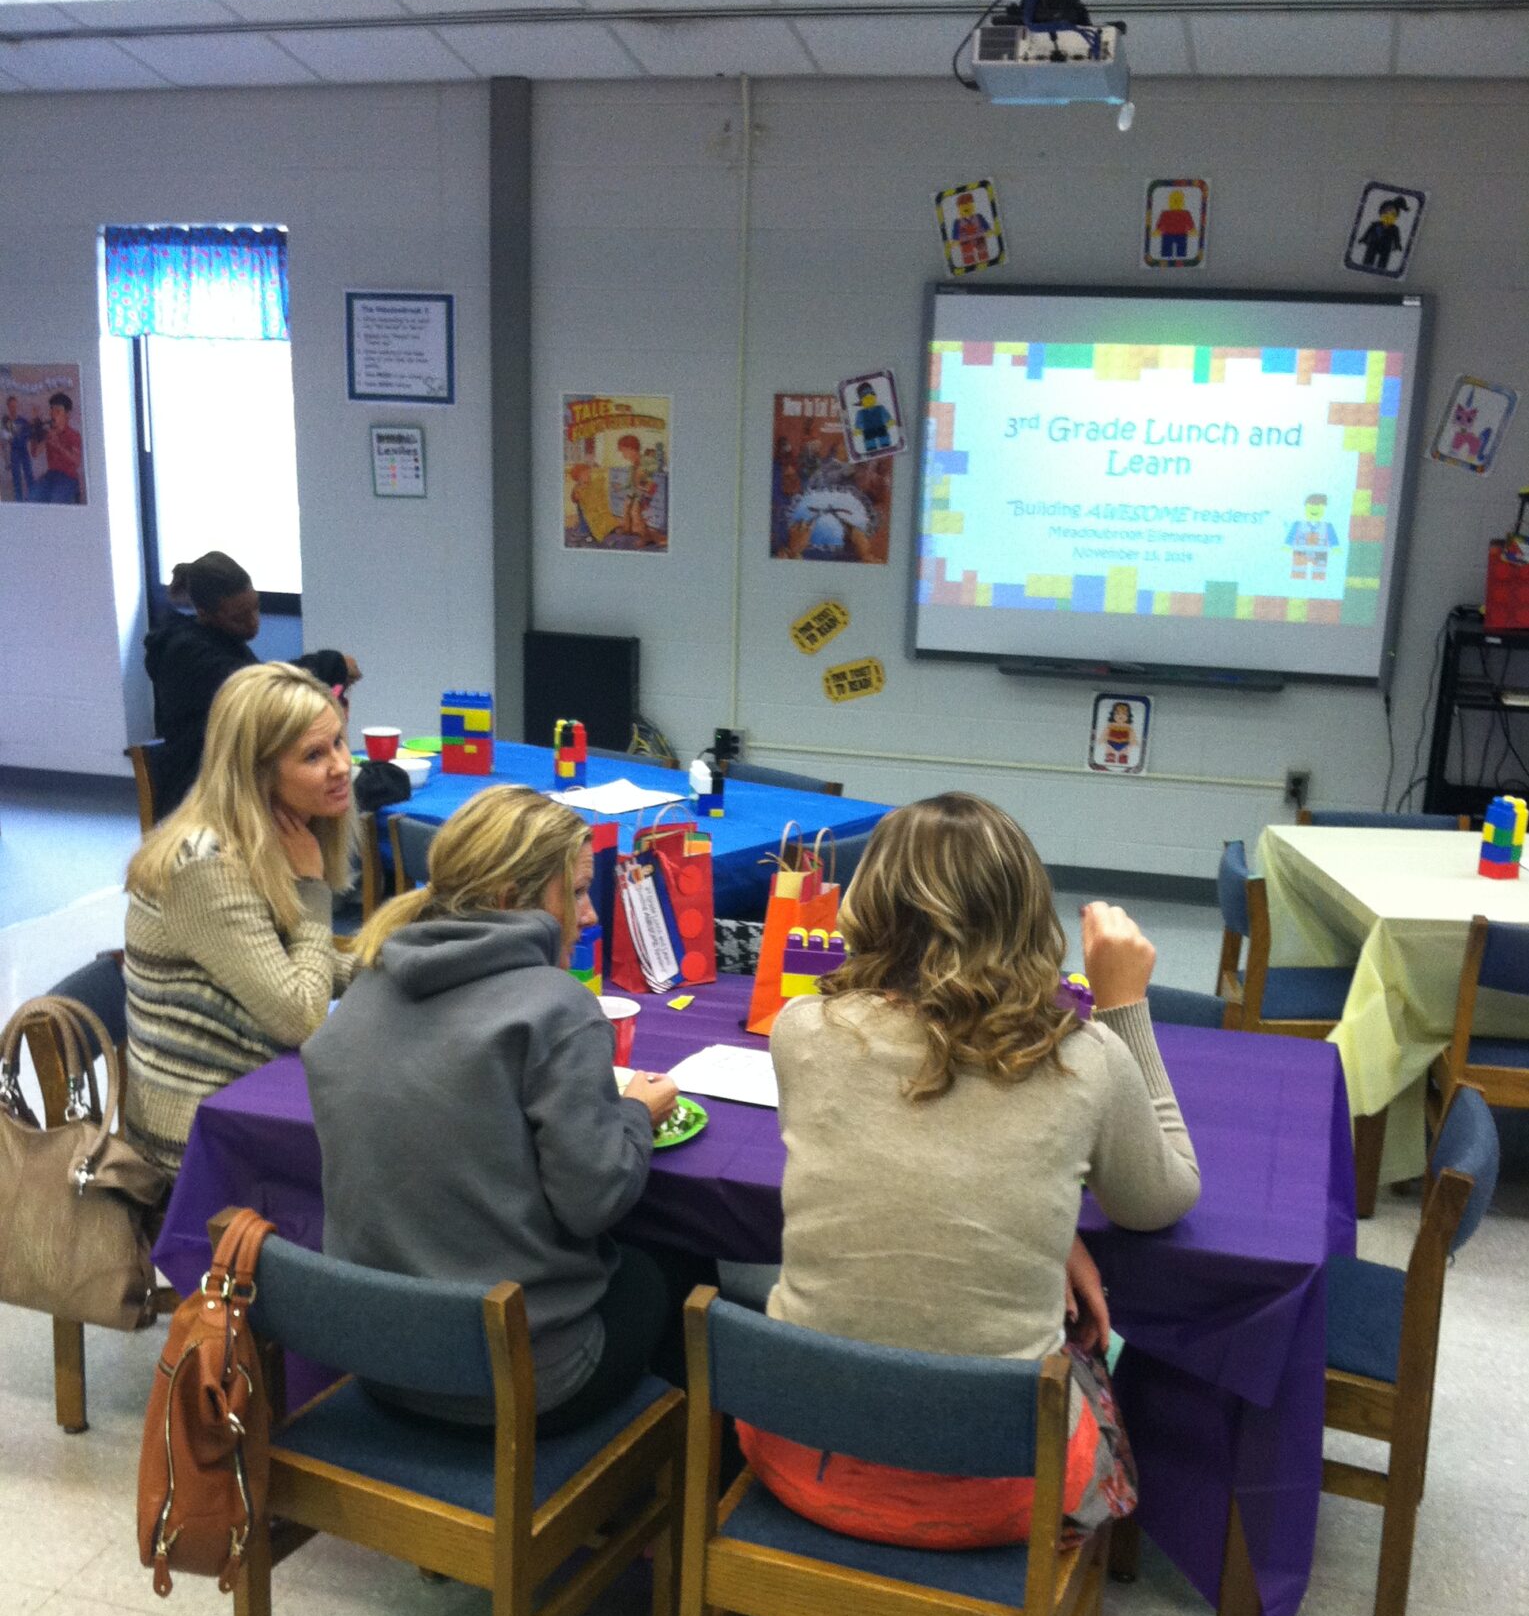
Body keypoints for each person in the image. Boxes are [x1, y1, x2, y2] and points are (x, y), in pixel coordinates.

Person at [749, 792, 1202, 1550]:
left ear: (867, 904)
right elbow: (1159, 1200)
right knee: (1102, 1352)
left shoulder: (803, 1032)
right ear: (1028, 917)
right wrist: (1124, 1007)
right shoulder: (1086, 1059)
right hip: (1001, 1493)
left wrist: (1051, 1230)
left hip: (797, 1459)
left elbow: (914, 1162)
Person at [304, 787, 686, 1433]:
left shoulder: (368, 985)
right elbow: (594, 1202)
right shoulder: (554, 1004)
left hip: (378, 1359)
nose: (591, 915)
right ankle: (660, 1479)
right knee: (673, 1269)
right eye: (579, 892)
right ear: (513, 898)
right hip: (515, 1382)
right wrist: (631, 1116)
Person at [124, 661, 357, 1179]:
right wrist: (312, 891)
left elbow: (288, 964)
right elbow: (301, 1017)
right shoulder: (205, 865)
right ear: (257, 772)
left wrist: (399, 963)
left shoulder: (273, 839)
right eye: (314, 755)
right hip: (200, 1143)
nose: (342, 766)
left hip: (250, 1096)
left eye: (339, 742)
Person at [143, 549, 360, 814]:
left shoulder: (223, 641)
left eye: (255, 607)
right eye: (238, 616)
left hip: (228, 776)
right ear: (204, 612)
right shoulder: (186, 653)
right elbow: (259, 688)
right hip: (198, 788)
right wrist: (332, 664)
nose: (252, 622)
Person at [31, 391, 84, 504]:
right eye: (51, 410)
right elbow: (35, 453)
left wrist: (58, 445)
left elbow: (77, 461)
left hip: (68, 477)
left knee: (56, 501)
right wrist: (35, 432)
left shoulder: (73, 435)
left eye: (58, 411)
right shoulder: (48, 433)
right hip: (51, 475)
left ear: (67, 414)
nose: (53, 414)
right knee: (32, 496)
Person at [3, 394, 35, 502]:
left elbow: (30, 434)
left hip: (24, 450)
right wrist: (7, 460)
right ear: (8, 407)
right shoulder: (5, 421)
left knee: (29, 474)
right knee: (16, 477)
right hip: (14, 452)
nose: (14, 408)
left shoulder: (23, 421)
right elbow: (7, 440)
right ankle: (19, 501)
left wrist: (31, 426)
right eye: (11, 406)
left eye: (15, 406)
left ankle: (33, 499)